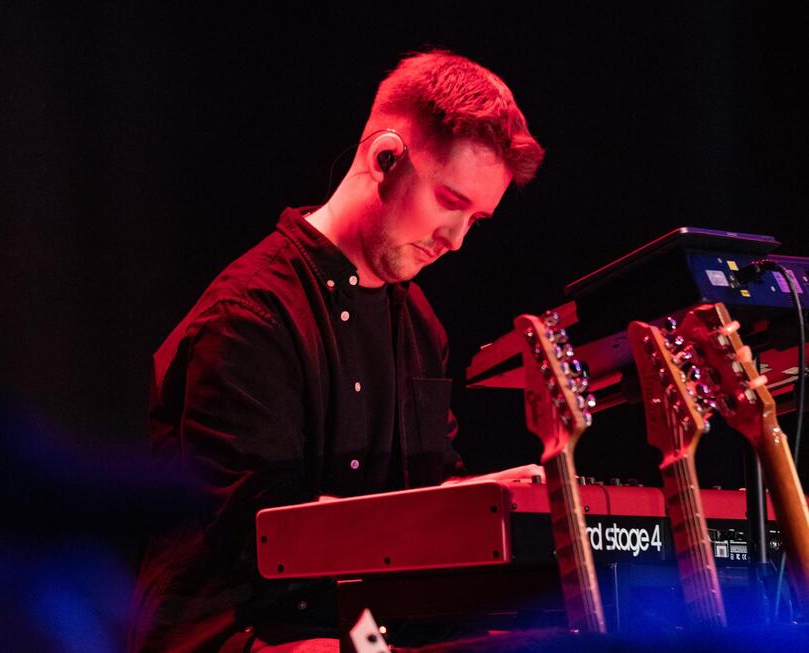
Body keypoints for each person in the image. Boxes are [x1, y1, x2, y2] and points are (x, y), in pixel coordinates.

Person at [129, 50, 544, 653]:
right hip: (244, 630)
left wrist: (485, 501)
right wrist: (446, 512)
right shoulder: (250, 316)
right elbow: (267, 536)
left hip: (362, 628)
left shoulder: (421, 324)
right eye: (450, 202)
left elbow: (426, 485)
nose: (456, 241)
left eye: (475, 220)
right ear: (385, 158)